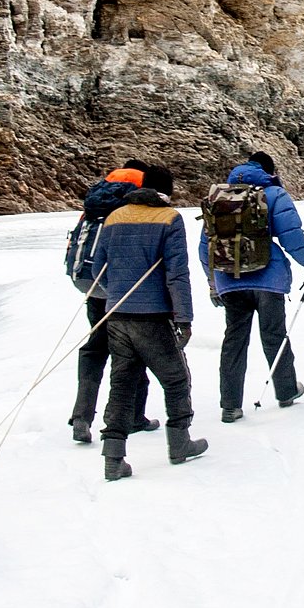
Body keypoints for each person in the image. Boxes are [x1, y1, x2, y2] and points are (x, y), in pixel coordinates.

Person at [92, 163, 206, 481]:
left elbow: (98, 268)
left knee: (122, 384)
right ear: (167, 190)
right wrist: (184, 318)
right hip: (153, 316)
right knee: (176, 379)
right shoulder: (169, 218)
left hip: (116, 315)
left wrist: (116, 296)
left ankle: (113, 457)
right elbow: (177, 274)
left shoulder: (114, 217)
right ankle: (180, 442)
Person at [198, 151, 304, 422]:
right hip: (268, 278)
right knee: (273, 335)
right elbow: (292, 236)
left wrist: (212, 282)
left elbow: (205, 245)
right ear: (269, 170)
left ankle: (230, 405)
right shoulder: (274, 194)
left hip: (230, 279)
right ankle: (286, 390)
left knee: (234, 341)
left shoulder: (218, 197)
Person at [63, 162, 159, 444]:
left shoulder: (98, 196)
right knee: (132, 350)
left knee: (96, 347)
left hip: (91, 283)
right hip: (122, 288)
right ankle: (132, 416)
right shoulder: (137, 197)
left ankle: (81, 416)